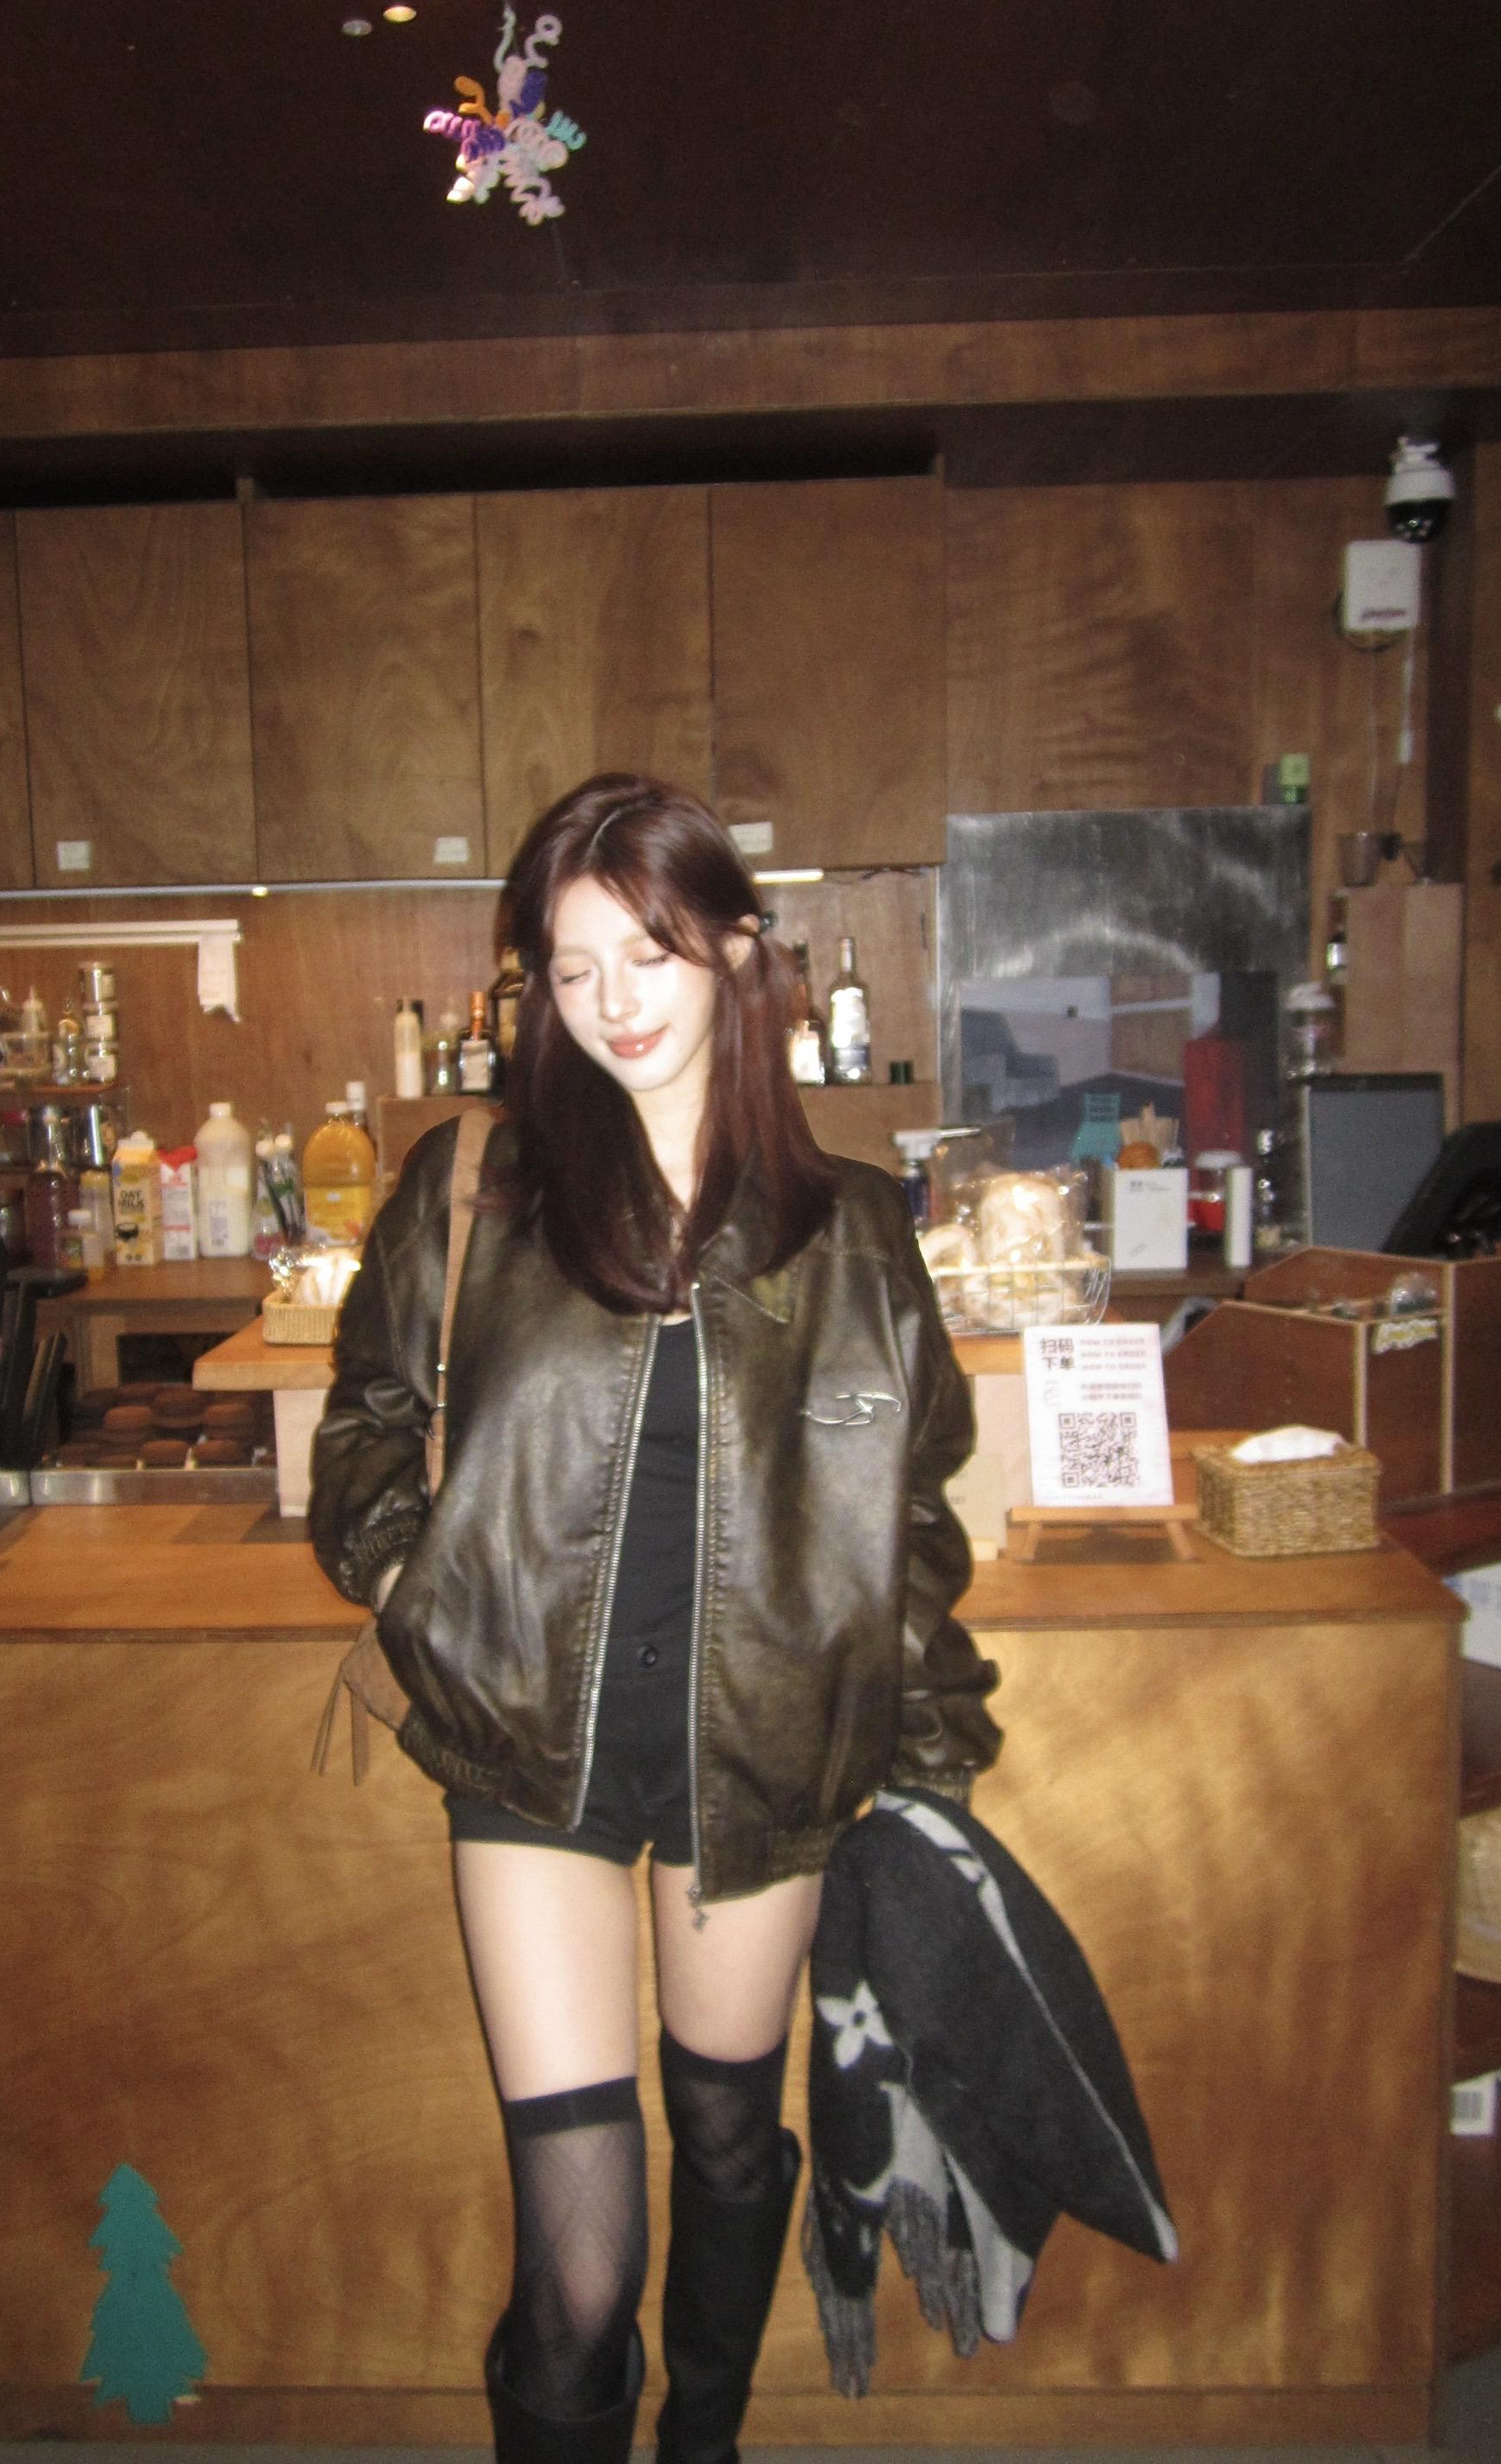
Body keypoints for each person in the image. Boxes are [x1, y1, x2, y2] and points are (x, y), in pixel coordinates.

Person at [309, 774, 1001, 2464]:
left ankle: (705, 2438)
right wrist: (415, 1592)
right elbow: (363, 1432)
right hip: (527, 1753)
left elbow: (914, 1524)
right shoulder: (479, 1187)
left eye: (650, 953)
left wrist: (933, 1767)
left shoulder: (854, 1230)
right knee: (579, 2257)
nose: (611, 1003)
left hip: (756, 1756)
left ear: (739, 952)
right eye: (571, 969)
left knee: (732, 2139)